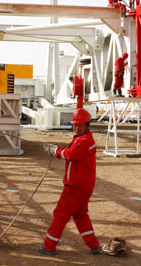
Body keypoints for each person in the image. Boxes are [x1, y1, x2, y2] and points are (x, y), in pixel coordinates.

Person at [37, 108, 100, 256]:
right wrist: (56, 149)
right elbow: (72, 152)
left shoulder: (83, 141)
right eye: (75, 125)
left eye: (80, 125)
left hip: (75, 186)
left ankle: (49, 246)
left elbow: (70, 154)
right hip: (84, 186)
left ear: (87, 125)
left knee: (60, 214)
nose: (76, 128)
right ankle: (93, 245)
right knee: (80, 215)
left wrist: (54, 150)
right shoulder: (85, 138)